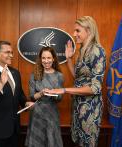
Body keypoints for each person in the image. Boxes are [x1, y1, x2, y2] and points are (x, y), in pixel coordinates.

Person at [45, 16, 106, 147]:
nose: (74, 34)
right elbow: (77, 78)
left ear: (89, 31)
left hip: (90, 108)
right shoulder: (82, 50)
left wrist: (65, 90)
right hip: (78, 104)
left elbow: (95, 88)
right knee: (77, 142)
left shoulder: (97, 51)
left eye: (78, 31)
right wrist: (68, 59)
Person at [0, 40, 34, 147]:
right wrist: (0, 85)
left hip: (14, 130)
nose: (11, 55)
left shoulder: (15, 73)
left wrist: (26, 104)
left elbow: (20, 96)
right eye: (7, 52)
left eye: (11, 52)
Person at [25, 47, 64, 147]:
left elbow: (59, 98)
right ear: (40, 59)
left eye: (49, 58)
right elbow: (32, 97)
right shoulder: (34, 75)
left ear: (53, 58)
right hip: (37, 114)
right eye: (43, 58)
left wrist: (52, 93)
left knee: (51, 141)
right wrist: (42, 93)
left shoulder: (59, 75)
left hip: (52, 114)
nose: (46, 61)